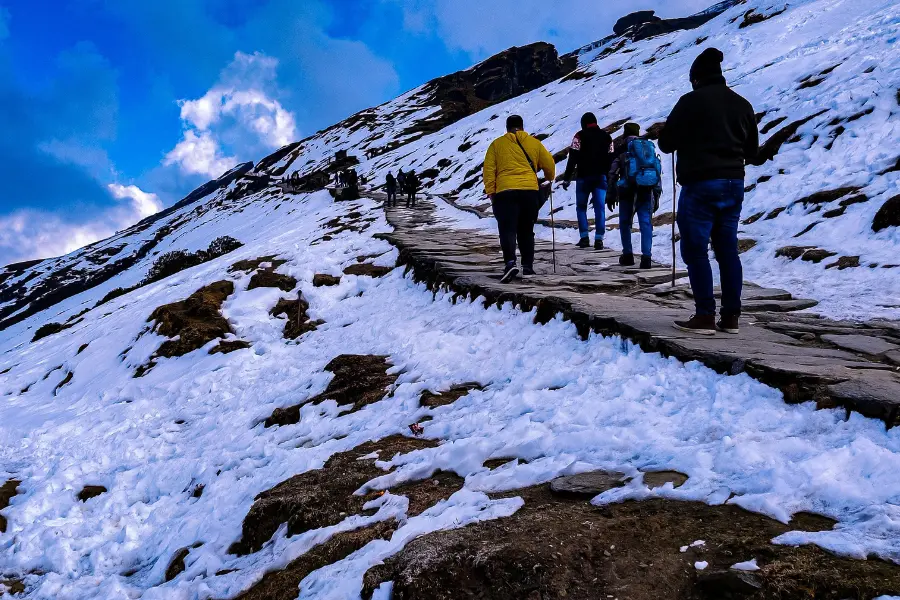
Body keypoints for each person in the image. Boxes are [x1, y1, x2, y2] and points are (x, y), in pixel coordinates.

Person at [659, 47, 759, 335]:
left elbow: (666, 144)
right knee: (727, 250)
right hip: (733, 184)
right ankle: (731, 318)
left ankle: (704, 315)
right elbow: (752, 151)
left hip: (700, 184)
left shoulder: (690, 102)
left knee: (695, 249)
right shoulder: (742, 104)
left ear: (696, 78)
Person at [483, 115, 556, 283]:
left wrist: (491, 192)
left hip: (505, 192)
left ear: (507, 128)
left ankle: (510, 263)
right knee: (526, 229)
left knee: (507, 228)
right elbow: (550, 166)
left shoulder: (496, 144)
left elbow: (489, 170)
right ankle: (528, 266)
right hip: (529, 192)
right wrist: (548, 177)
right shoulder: (534, 143)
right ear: (522, 127)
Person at [608, 122, 660, 269]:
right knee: (645, 222)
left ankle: (628, 255)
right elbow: (657, 169)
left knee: (625, 223)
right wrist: (656, 194)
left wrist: (611, 194)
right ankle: (646, 258)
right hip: (647, 190)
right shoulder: (647, 150)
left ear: (625, 134)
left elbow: (612, 173)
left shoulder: (624, 151)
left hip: (627, 192)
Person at [562, 112, 614, 250]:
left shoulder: (579, 136)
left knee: (581, 207)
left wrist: (567, 178)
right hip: (601, 177)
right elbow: (611, 157)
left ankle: (584, 237)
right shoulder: (607, 137)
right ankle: (599, 239)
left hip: (583, 177)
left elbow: (572, 157)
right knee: (600, 208)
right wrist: (609, 177)